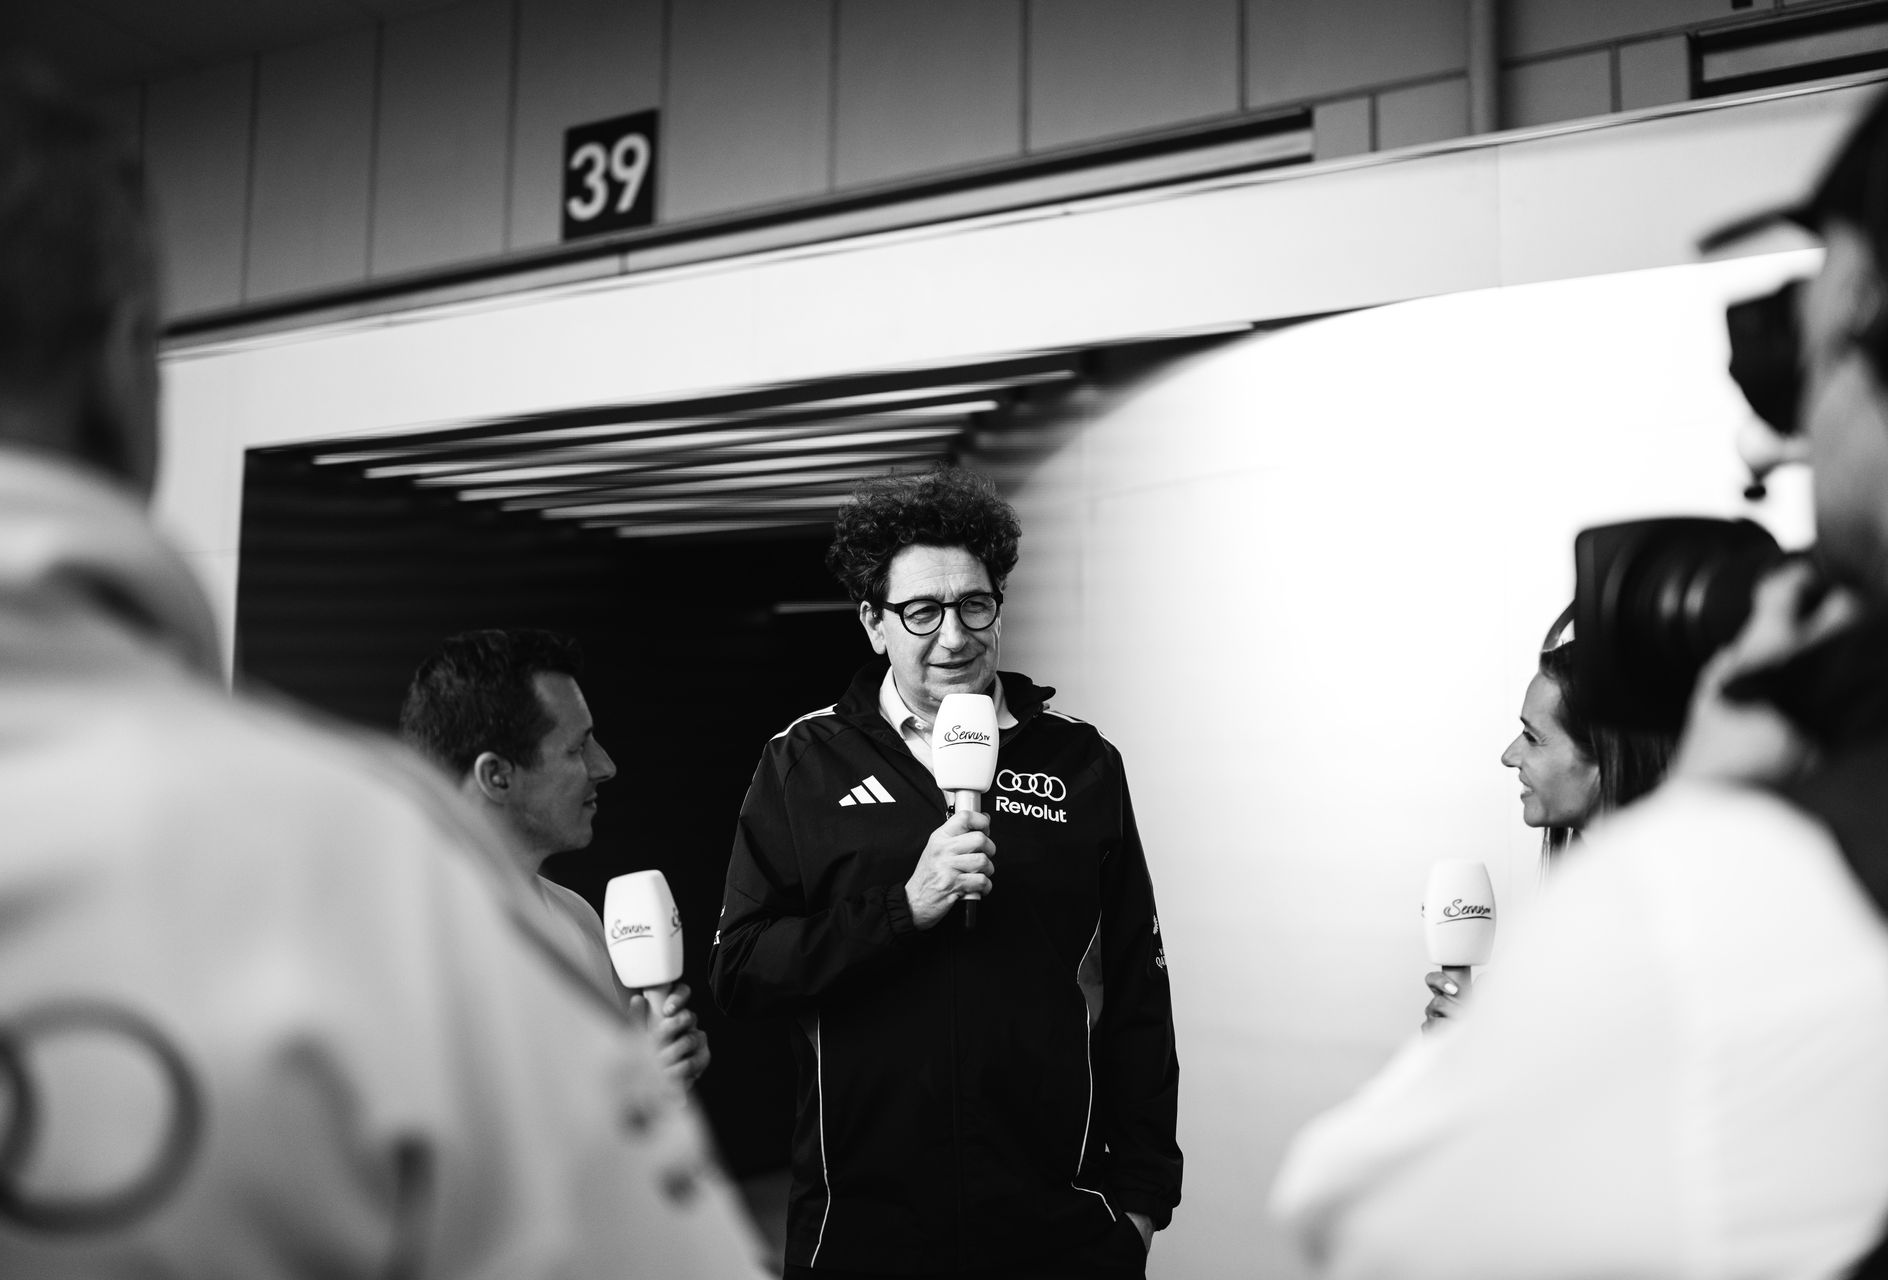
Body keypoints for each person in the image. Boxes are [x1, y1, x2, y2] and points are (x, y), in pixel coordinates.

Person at [0, 63, 763, 1276]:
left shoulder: (495, 904)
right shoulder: (373, 875)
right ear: (122, 366)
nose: (611, 765)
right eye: (579, 744)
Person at [1274, 76, 1888, 1279]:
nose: (1775, 440)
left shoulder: (1773, 892)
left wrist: (1706, 825)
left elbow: (1361, 1220)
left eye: (1819, 355)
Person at [709, 467, 1181, 1279]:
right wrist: (902, 907)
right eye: (922, 611)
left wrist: (1136, 1208)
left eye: (975, 605)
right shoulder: (801, 764)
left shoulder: (1081, 761)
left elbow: (1139, 992)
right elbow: (743, 970)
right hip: (863, 1234)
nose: (954, 637)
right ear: (873, 623)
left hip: (1057, 1233)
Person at [400, 628, 711, 1084]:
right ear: (497, 776)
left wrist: (659, 1073)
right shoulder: (398, 939)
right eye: (577, 747)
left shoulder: (579, 917)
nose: (605, 766)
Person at [1423, 617, 1676, 1027]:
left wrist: (1504, 1046)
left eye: (1533, 737)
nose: (1509, 755)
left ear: (1605, 757)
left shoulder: (1654, 927)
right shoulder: (1576, 914)